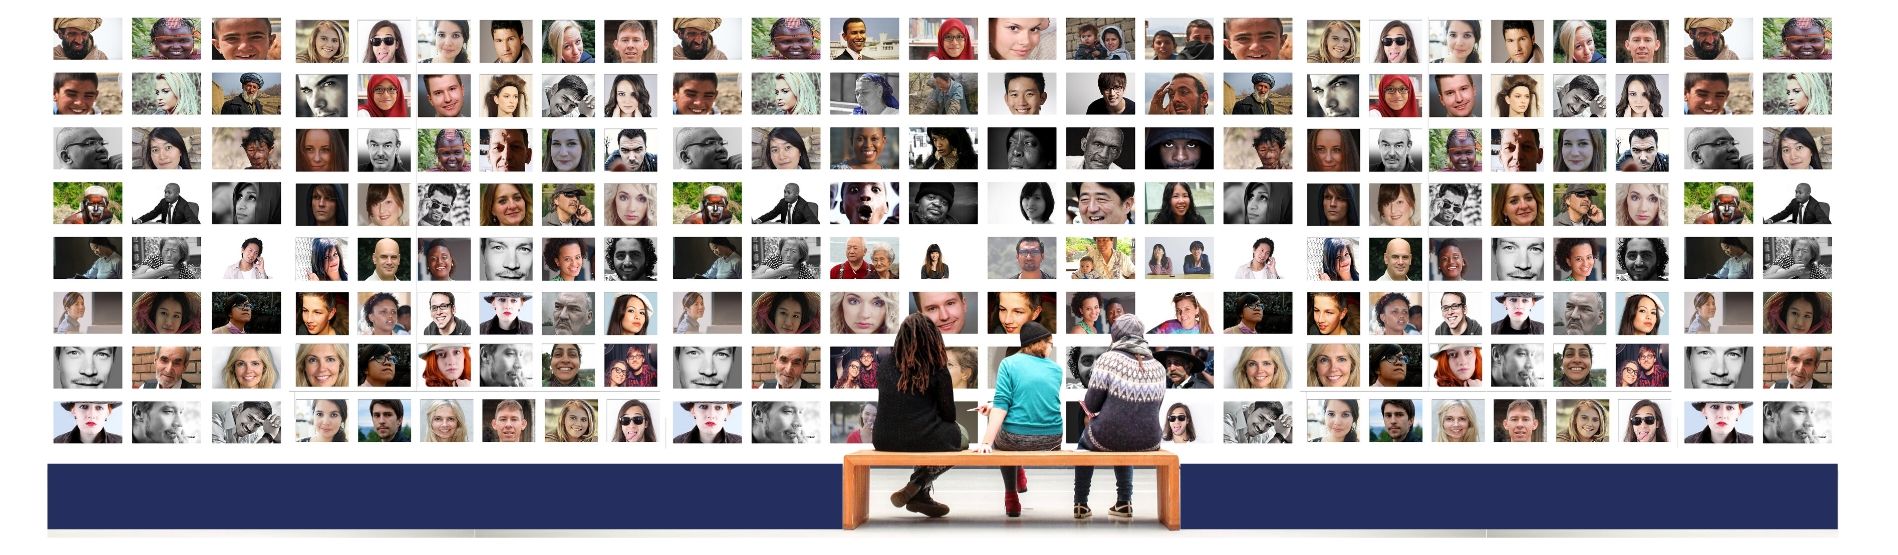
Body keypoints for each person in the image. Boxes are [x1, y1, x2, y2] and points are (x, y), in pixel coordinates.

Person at [1069, 315, 1166, 518]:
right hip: (1150, 440)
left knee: (1085, 445)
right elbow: (1154, 409)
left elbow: (1092, 404)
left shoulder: (1108, 360)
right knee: (1126, 437)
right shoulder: (1158, 367)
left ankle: (1080, 504)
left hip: (1108, 436)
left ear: (1115, 334)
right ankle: (1124, 502)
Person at [876, 313, 969, 517]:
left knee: (925, 437)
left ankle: (921, 496)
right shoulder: (937, 368)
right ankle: (918, 482)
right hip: (922, 436)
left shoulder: (884, 366)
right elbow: (949, 415)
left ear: (901, 336)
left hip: (883, 439)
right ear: (933, 337)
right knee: (962, 436)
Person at [972, 322, 1062, 518]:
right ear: (1040, 343)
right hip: (1052, 440)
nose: (1051, 348)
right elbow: (1031, 401)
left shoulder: (1008, 364)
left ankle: (1011, 496)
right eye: (1050, 343)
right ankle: (1019, 472)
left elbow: (1003, 405)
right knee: (1006, 419)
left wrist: (986, 442)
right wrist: (993, 407)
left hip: (1015, 440)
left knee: (1004, 435)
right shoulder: (1056, 369)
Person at [1685, 401, 1752, 443]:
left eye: (1730, 408)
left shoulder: (1752, 442)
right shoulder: (1687, 442)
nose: (1722, 415)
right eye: (1715, 406)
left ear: (1739, 411)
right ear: (1704, 410)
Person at [56, 401, 122, 443]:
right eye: (84, 406)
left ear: (108, 412)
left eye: (99, 407)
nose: (91, 415)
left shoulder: (121, 442)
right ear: (73, 410)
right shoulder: (57, 442)